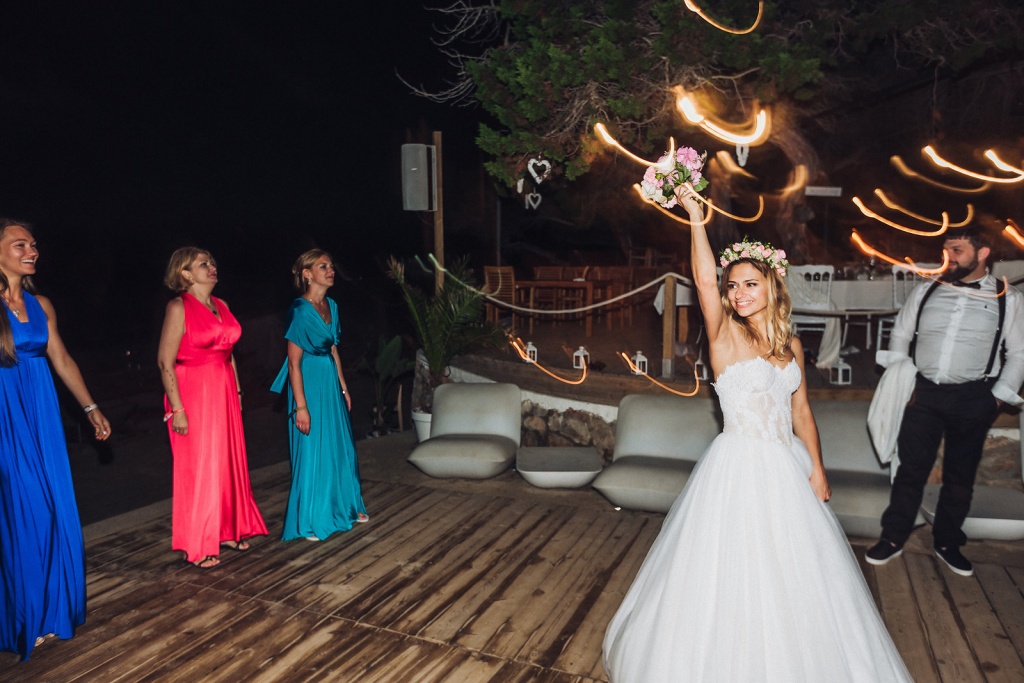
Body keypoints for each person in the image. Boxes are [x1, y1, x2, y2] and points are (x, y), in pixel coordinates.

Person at [602, 189, 912, 682]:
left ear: (772, 285)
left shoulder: (792, 345)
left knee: (797, 575)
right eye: (733, 286)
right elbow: (703, 280)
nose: (739, 293)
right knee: (734, 572)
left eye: (750, 283)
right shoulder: (725, 336)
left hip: (788, 467)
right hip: (738, 467)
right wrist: (696, 218)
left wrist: (817, 467)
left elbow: (802, 411)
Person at [866, 228, 1024, 576]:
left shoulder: (1008, 298)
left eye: (957, 250)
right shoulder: (927, 289)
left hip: (973, 397)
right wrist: (902, 380)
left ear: (983, 253)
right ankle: (893, 537)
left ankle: (947, 542)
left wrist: (996, 400)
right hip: (922, 393)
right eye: (946, 249)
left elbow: (1019, 353)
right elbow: (901, 334)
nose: (948, 257)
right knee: (910, 470)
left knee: (960, 476)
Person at [0, 219, 111, 660]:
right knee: (27, 510)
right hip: (6, 416)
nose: (32, 250)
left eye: (33, 244)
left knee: (56, 507)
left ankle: (49, 612)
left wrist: (90, 407)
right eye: (20, 244)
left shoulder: (41, 303)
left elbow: (60, 358)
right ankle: (24, 616)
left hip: (42, 413)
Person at [157, 247, 267, 569]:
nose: (212, 267)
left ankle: (228, 529)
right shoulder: (178, 307)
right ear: (186, 273)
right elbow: (164, 361)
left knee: (227, 462)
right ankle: (198, 544)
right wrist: (177, 408)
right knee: (200, 467)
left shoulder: (222, 305)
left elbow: (229, 354)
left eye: (213, 262)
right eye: (203, 264)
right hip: (192, 390)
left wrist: (238, 390)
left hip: (223, 388)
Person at [271, 249, 368, 541]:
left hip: (329, 380)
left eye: (331, 265)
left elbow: (333, 349)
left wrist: (343, 387)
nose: (330, 270)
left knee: (339, 445)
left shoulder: (331, 305)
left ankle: (347, 506)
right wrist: (301, 407)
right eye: (323, 266)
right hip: (308, 381)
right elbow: (293, 363)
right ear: (307, 274)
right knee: (313, 449)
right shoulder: (300, 311)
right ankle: (310, 521)